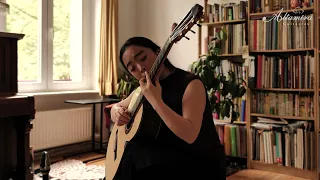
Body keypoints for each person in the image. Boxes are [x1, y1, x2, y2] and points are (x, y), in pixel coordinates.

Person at [109, 36, 226, 180]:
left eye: (143, 57)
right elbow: (118, 106)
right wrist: (116, 111)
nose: (140, 68)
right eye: (132, 68)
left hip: (198, 161)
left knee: (135, 154)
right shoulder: (143, 89)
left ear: (159, 52)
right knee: (133, 151)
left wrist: (156, 101)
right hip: (164, 156)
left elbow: (190, 135)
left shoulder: (191, 84)